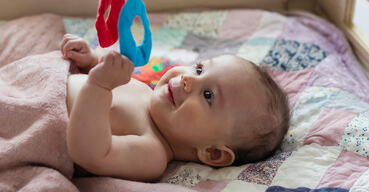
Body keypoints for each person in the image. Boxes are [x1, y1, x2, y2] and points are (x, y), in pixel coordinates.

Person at [61, 34, 290, 182]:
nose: (188, 80)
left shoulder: (152, 154)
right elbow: (108, 79)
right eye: (199, 70)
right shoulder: (149, 94)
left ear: (213, 153)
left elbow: (90, 153)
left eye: (208, 95)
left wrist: (99, 85)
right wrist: (92, 61)